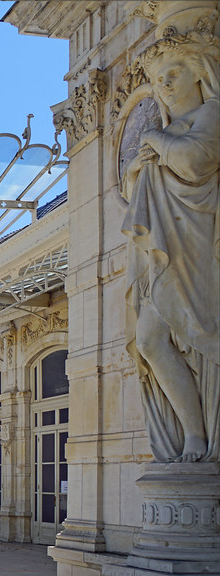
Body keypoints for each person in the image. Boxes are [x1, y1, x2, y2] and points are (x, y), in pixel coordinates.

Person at [121, 25, 219, 463]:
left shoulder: (210, 114)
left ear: (201, 74)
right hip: (163, 246)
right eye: (159, 75)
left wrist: (155, 141)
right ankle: (192, 433)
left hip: (196, 242)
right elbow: (135, 195)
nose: (164, 81)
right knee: (149, 341)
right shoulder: (171, 127)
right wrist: (138, 168)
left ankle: (201, 436)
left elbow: (197, 161)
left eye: (175, 71)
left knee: (191, 333)